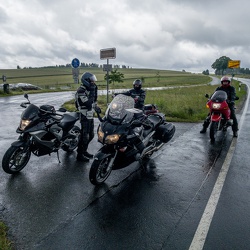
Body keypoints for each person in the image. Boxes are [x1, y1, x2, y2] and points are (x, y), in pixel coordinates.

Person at [75, 72, 100, 161]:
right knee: (84, 136)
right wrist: (93, 92)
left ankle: (84, 150)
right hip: (84, 115)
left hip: (90, 114)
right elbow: (88, 103)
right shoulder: (81, 90)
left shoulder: (90, 89)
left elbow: (93, 102)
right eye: (92, 80)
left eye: (94, 80)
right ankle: (79, 155)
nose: (93, 82)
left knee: (91, 135)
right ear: (86, 81)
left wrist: (97, 107)